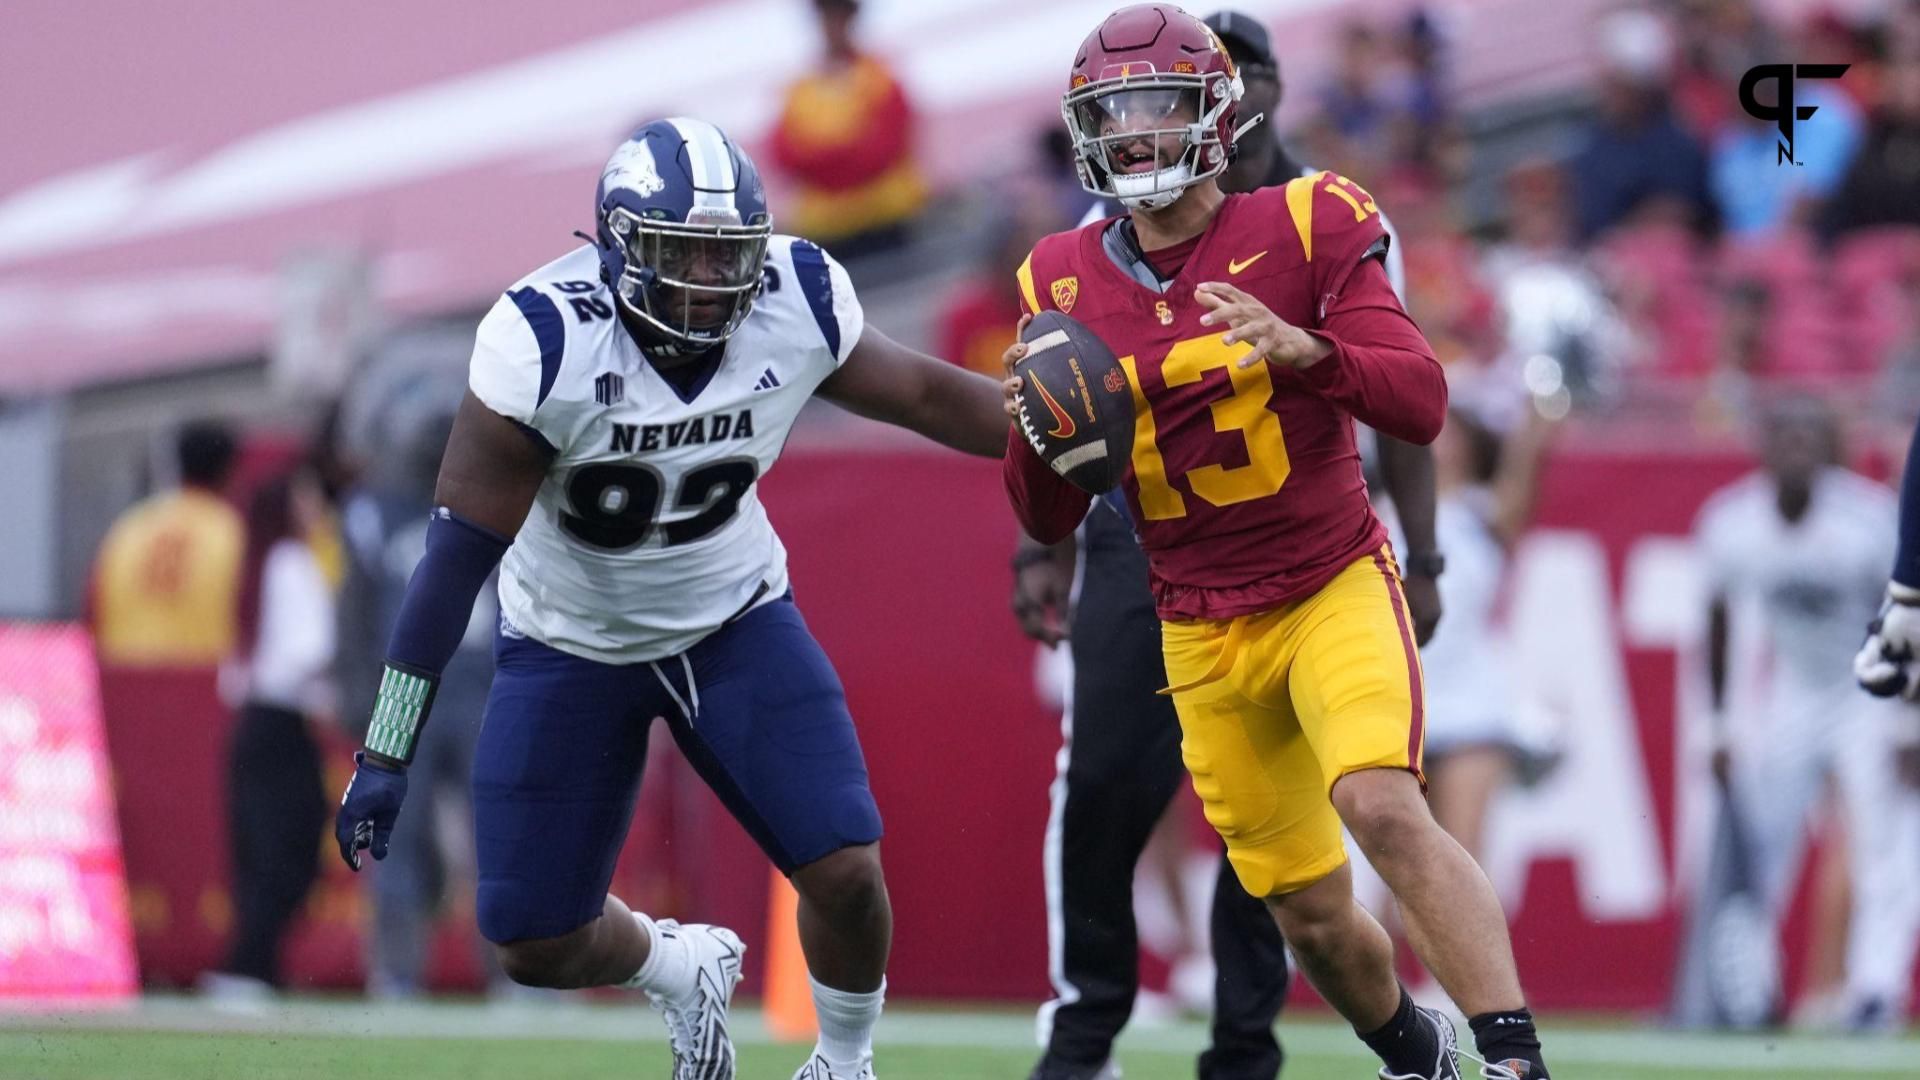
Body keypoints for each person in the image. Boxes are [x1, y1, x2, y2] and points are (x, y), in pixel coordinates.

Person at [331, 117, 1008, 1080]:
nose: (706, 278)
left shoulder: (796, 297)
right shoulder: (542, 341)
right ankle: (679, 966)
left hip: (733, 620)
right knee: (533, 940)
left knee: (848, 869)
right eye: (679, 251)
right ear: (616, 247)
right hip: (568, 641)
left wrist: (1064, 442)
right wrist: (386, 749)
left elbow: (932, 399)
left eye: (726, 253)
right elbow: (450, 564)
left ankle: (846, 1064)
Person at [1002, 7, 1550, 1079]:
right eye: (1114, 114)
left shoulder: (1312, 219)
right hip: (1197, 624)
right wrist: (1044, 430)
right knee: (1307, 915)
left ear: (1216, 112)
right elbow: (1045, 513)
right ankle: (1414, 1053)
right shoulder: (1057, 280)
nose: (1137, 134)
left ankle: (1515, 1060)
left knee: (1381, 802)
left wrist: (1307, 351)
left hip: (1328, 580)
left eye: (1158, 105)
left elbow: (1422, 401)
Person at [1695, 396, 1920, 1030]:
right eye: (1783, 434)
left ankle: (1876, 990)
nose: (1795, 448)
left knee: (1882, 840)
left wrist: (1909, 717)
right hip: (1795, 691)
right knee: (1764, 843)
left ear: (1828, 448)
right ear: (1763, 447)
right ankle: (1749, 990)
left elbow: (1905, 617)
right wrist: (1716, 721)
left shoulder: (1866, 518)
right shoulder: (1732, 521)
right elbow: (1716, 615)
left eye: (1808, 435)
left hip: (1867, 693)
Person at [337, 356, 504, 999]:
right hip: (401, 688)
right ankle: (397, 970)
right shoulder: (370, 510)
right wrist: (357, 690)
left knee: (496, 834)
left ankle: (513, 971)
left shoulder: (497, 491)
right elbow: (352, 609)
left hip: (480, 675)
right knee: (393, 838)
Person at [201, 469, 337, 1002]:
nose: (315, 506)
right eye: (306, 496)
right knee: (290, 848)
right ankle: (249, 966)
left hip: (257, 723)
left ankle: (256, 962)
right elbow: (311, 649)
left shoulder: (259, 564)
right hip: (281, 722)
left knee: (263, 849)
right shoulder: (294, 563)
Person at [769, 0, 927, 257]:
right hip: (826, 232)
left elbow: (883, 147)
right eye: (827, 16)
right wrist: (846, 153)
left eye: (839, 15)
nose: (833, 25)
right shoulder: (799, 91)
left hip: (886, 222)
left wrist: (825, 162)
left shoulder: (881, 77)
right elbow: (785, 154)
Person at [91, 421, 244, 668]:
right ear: (229, 469)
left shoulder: (131, 527)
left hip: (127, 679)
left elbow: (92, 603)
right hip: (201, 680)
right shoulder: (231, 532)